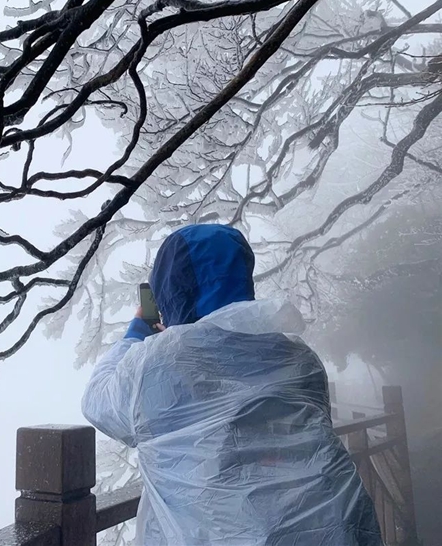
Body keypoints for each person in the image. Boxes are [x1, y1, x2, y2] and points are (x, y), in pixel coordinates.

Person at [81, 224, 382, 545]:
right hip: (333, 528)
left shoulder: (154, 364)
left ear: (171, 290)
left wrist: (137, 333)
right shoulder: (299, 357)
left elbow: (98, 403)